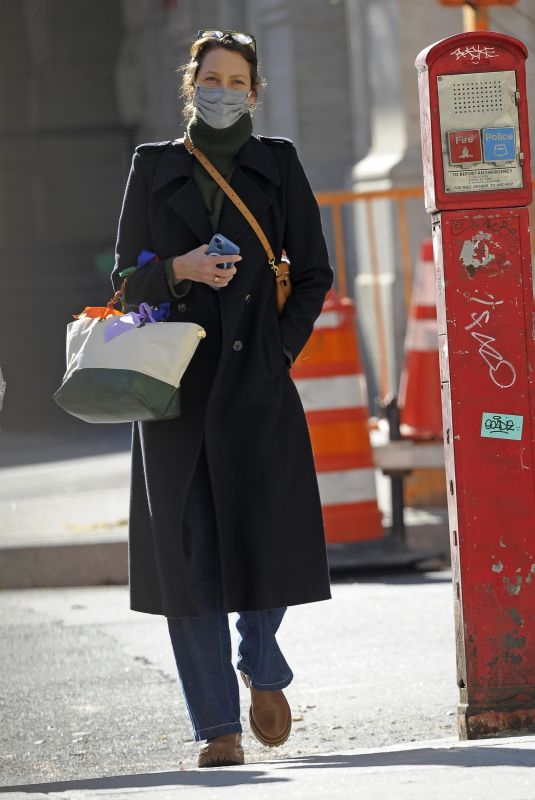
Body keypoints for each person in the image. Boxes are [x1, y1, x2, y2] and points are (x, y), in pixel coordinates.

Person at [112, 29, 333, 768]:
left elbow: (313, 273)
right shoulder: (153, 166)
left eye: (237, 81)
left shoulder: (278, 163)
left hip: (255, 382)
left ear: (253, 91)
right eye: (212, 77)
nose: (223, 90)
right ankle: (217, 729)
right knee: (190, 558)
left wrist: (276, 351)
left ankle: (261, 659)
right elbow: (120, 283)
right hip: (174, 393)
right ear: (191, 82)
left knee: (267, 536)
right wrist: (178, 269)